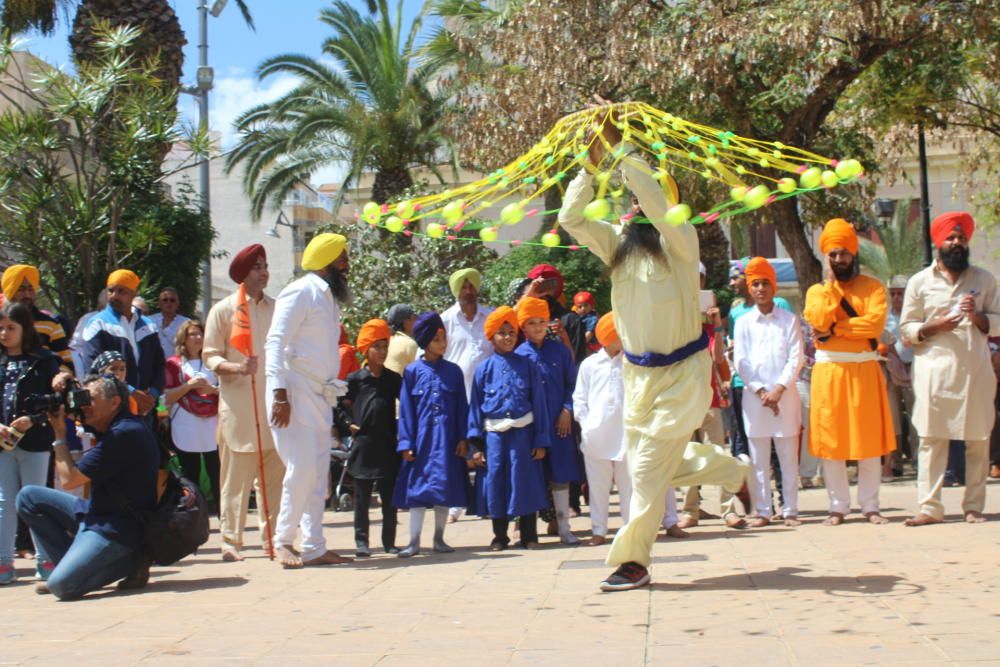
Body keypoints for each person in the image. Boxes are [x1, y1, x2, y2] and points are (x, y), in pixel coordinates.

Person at [558, 100, 749, 591]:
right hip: (637, 381)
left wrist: (623, 144)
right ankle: (730, 469)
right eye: (632, 204)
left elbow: (658, 206)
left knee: (642, 472)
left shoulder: (682, 245)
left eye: (645, 202)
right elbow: (571, 216)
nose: (635, 208)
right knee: (658, 466)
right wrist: (592, 158)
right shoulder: (617, 245)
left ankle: (633, 562)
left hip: (684, 376)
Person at [16, 375, 159, 599]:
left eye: (89, 399)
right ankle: (73, 569)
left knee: (62, 587)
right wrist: (68, 383)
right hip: (95, 514)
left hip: (118, 529)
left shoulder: (123, 433)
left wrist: (60, 435)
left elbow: (70, 480)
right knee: (28, 497)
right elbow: (92, 389)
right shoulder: (110, 423)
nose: (83, 405)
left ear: (114, 403)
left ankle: (131, 562)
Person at [899, 212, 1000, 526]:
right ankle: (929, 508)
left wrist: (978, 317)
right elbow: (906, 328)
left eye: (961, 238)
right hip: (934, 372)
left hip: (975, 371)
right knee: (931, 439)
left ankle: (973, 506)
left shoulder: (984, 280)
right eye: (951, 238)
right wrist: (934, 326)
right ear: (937, 242)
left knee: (978, 440)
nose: (957, 243)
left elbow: (997, 321)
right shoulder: (919, 282)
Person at [266, 233, 353, 568]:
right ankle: (284, 540)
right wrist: (279, 393)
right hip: (293, 390)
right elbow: (275, 342)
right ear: (328, 261)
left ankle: (315, 545)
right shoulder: (300, 290)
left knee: (318, 471)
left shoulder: (327, 296)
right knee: (301, 468)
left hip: (320, 393)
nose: (347, 266)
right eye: (342, 259)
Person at [804, 218, 895, 526]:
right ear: (826, 257)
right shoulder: (817, 291)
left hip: (865, 369)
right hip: (829, 372)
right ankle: (838, 506)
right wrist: (830, 289)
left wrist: (837, 328)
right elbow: (817, 321)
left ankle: (870, 505)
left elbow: (874, 325)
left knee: (868, 440)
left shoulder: (873, 288)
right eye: (833, 255)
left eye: (844, 253)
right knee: (832, 442)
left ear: (854, 254)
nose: (839, 260)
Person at [203, 244, 284, 562]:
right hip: (238, 407)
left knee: (275, 480)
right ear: (243, 274)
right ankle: (230, 542)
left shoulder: (277, 309)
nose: (264, 272)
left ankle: (274, 539)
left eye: (265, 266)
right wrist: (236, 368)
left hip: (272, 409)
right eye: (257, 267)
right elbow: (209, 355)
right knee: (235, 481)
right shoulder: (224, 310)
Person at [468, 306, 549, 550]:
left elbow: (539, 405)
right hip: (494, 436)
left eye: (511, 332)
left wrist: (540, 440)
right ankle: (499, 536)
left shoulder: (528, 365)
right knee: (496, 483)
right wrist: (477, 446)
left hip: (523, 434)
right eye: (502, 333)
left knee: (525, 481)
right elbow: (475, 409)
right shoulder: (483, 369)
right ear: (491, 336)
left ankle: (529, 535)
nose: (508, 337)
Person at [733, 258, 804, 528]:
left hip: (785, 397)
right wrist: (762, 390)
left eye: (765, 284)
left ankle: (790, 510)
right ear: (750, 289)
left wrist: (779, 389)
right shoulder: (743, 323)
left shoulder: (788, 320)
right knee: (759, 458)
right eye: (756, 284)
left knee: (787, 456)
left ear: (774, 288)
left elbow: (796, 357)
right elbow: (741, 361)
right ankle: (762, 511)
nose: (761, 289)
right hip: (755, 399)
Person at [393, 312, 470, 558]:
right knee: (417, 490)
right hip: (421, 442)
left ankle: (439, 538)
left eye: (444, 338)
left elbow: (462, 408)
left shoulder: (454, 372)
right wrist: (406, 442)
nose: (442, 344)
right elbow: (406, 411)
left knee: (444, 488)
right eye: (437, 339)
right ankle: (413, 541)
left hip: (447, 441)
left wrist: (462, 438)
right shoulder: (412, 372)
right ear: (425, 341)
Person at [678, 261, 746, 531]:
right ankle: (690, 510)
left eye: (699, 278)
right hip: (683, 400)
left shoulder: (710, 324)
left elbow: (718, 357)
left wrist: (717, 326)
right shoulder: (676, 319)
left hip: (710, 399)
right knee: (686, 456)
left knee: (717, 454)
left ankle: (728, 509)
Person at [0, 302, 61, 584]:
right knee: (4, 502)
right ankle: (4, 563)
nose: (4, 333)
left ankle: (44, 559)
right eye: (0, 327)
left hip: (35, 442)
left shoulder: (44, 360)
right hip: (3, 445)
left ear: (25, 329)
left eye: (11, 327)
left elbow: (55, 402)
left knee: (35, 501)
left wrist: (32, 420)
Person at [516, 296, 581, 545]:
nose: (537, 327)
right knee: (531, 476)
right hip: (532, 428)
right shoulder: (519, 355)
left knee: (561, 475)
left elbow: (572, 385)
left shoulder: (560, 351)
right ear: (523, 326)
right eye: (531, 323)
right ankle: (526, 529)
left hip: (559, 425)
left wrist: (567, 410)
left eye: (541, 321)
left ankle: (564, 526)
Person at [336, 319, 402, 556]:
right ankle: (362, 543)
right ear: (366, 348)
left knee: (389, 498)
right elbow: (338, 404)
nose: (382, 352)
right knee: (361, 499)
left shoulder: (393, 380)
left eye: (385, 346)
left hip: (387, 443)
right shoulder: (355, 379)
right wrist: (347, 423)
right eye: (377, 346)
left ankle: (389, 542)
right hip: (363, 445)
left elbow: (408, 406)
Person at [573, 312, 630, 546]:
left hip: (627, 435)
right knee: (598, 488)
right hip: (596, 437)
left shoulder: (632, 361)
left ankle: (629, 531)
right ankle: (598, 530)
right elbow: (579, 399)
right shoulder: (590, 364)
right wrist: (586, 426)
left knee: (629, 489)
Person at [80, 270, 165, 423]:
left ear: (134, 293)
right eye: (111, 290)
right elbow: (93, 369)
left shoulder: (148, 325)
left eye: (121, 291)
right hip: (113, 409)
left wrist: (153, 393)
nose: (114, 296)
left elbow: (159, 363)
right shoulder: (98, 324)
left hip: (146, 408)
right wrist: (131, 393)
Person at [164, 320, 220, 513]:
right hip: (186, 423)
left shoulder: (215, 361)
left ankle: (225, 519)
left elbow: (229, 391)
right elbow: (166, 398)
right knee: (191, 474)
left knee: (217, 472)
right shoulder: (173, 364)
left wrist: (212, 389)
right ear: (184, 339)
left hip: (213, 423)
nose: (198, 338)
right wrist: (189, 386)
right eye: (193, 334)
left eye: (200, 334)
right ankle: (195, 517)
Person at [1, 265, 73, 372]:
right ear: (9, 291)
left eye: (31, 289)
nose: (27, 295)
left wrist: (61, 376)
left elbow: (66, 363)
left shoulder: (50, 325)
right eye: (21, 290)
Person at [443, 268, 494, 399]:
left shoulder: (491, 317)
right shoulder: (445, 320)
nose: (468, 291)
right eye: (463, 287)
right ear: (456, 291)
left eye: (471, 286)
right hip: (456, 394)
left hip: (489, 394)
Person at [526, 264, 587, 362]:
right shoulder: (525, 319)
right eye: (540, 288)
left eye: (550, 287)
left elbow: (578, 360)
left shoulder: (570, 319)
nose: (545, 293)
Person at [149, 287, 190, 364]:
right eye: (165, 300)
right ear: (159, 303)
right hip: (153, 366)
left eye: (172, 300)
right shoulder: (150, 321)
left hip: (177, 366)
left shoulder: (186, 323)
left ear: (178, 303)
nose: (169, 303)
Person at [385, 304, 419, 376]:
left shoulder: (386, 342)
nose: (416, 321)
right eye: (414, 318)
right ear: (406, 322)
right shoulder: (409, 344)